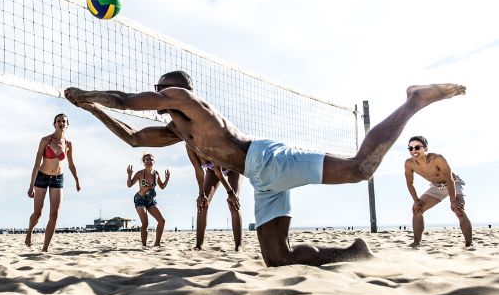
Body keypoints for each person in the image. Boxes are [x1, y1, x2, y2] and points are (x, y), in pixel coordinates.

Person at [63, 71, 466, 267]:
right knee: (277, 258)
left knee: (361, 168)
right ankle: (353, 252)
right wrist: (93, 108)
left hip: (267, 159)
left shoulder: (186, 101)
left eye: (161, 89)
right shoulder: (177, 130)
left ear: (174, 90)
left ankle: (413, 101)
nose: (159, 94)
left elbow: (129, 101)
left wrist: (92, 93)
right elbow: (133, 138)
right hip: (261, 175)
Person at [404, 135, 473, 248]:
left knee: (458, 209)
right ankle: (416, 243)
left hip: (453, 183)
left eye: (417, 147)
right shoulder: (409, 163)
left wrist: (453, 200)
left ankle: (469, 244)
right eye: (410, 148)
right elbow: (409, 183)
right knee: (417, 210)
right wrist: (416, 200)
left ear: (425, 148)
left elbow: (449, 179)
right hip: (437, 187)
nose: (413, 151)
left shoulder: (437, 159)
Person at [26, 113, 81, 252]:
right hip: (42, 177)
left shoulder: (68, 144)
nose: (61, 123)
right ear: (54, 124)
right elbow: (36, 164)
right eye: (58, 121)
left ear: (67, 125)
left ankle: (45, 248)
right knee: (38, 213)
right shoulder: (45, 140)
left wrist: (77, 181)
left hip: (58, 179)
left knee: (54, 215)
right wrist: (31, 186)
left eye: (64, 121)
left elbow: (71, 165)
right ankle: (29, 231)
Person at [187, 148, 242, 250]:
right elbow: (199, 171)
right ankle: (199, 245)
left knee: (233, 203)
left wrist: (231, 193)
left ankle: (238, 246)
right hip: (213, 170)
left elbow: (219, 172)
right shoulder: (189, 146)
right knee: (202, 203)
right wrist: (201, 194)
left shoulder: (209, 141)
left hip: (233, 165)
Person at [126, 153, 170, 247]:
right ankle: (144, 245)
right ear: (143, 162)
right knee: (145, 223)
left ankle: (157, 243)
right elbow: (129, 185)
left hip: (150, 200)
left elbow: (162, 186)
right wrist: (129, 175)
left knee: (162, 221)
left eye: (151, 159)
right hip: (140, 199)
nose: (149, 161)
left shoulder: (156, 173)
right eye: (147, 160)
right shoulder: (140, 173)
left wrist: (166, 180)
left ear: (154, 161)